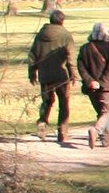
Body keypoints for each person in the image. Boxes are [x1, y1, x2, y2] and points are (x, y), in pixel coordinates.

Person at [76, 22, 109, 148]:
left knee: (101, 112)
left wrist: (89, 80)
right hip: (107, 85)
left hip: (91, 87)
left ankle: (105, 140)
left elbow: (81, 66)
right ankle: (96, 131)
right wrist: (101, 81)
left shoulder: (85, 48)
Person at [28, 9, 76, 145]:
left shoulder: (40, 34)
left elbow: (32, 55)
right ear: (62, 21)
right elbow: (71, 57)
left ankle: (42, 122)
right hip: (61, 75)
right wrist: (74, 75)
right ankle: (62, 131)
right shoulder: (66, 35)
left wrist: (32, 73)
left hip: (45, 74)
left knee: (47, 101)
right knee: (63, 103)